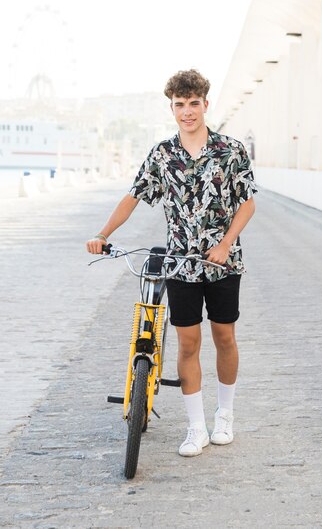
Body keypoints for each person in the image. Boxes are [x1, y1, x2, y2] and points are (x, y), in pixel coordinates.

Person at [86, 69, 256, 457]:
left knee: (224, 336)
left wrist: (226, 244)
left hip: (223, 263)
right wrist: (103, 233)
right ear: (172, 108)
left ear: (205, 105)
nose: (187, 112)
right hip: (180, 263)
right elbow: (134, 196)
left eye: (193, 104)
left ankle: (224, 415)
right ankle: (196, 428)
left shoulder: (230, 150)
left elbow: (248, 201)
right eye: (179, 105)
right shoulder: (163, 155)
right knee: (188, 342)